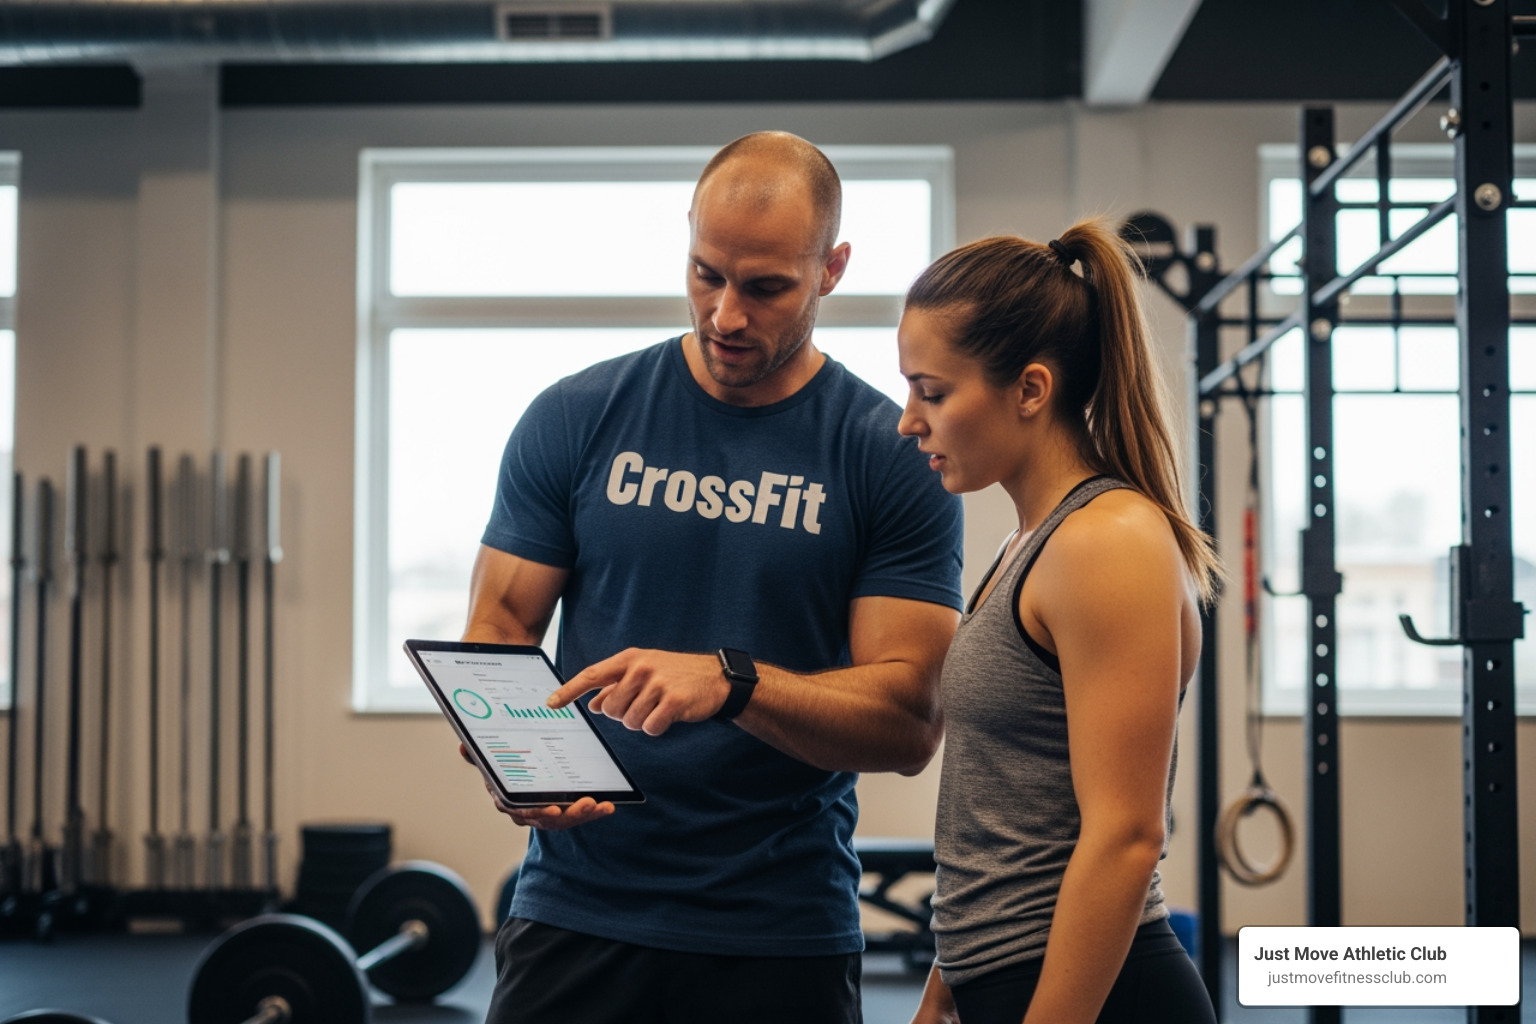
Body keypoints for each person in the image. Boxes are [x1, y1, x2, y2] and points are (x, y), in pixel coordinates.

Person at [461, 131, 965, 1024]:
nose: (727, 316)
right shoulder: (577, 416)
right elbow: (500, 627)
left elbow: (908, 721)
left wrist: (732, 683)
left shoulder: (887, 457)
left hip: (778, 930)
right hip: (578, 911)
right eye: (706, 274)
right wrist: (513, 755)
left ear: (831, 269)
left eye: (766, 287)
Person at [895, 223, 1222, 1024]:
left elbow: (1125, 836)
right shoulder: (1028, 544)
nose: (910, 421)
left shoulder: (1108, 542)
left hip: (1095, 994)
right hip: (1004, 979)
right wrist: (947, 981)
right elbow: (1008, 812)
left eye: (931, 392)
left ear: (1031, 389)